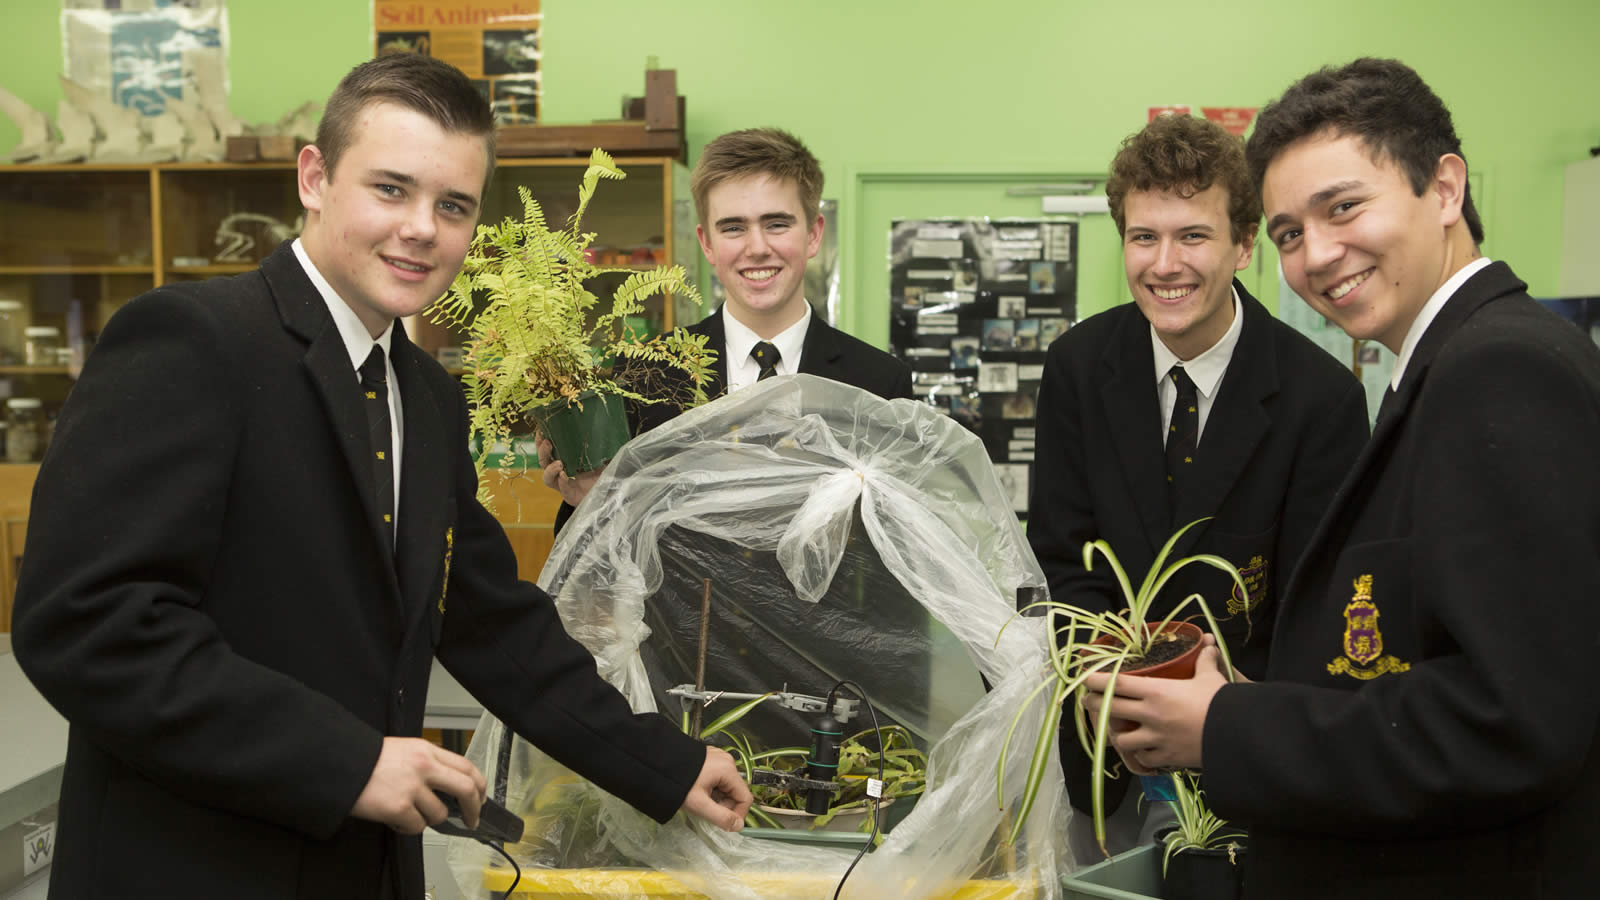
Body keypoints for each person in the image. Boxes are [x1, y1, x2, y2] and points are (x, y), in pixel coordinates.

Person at [10, 53, 751, 900]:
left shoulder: (427, 396)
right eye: (391, 189)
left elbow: (487, 620)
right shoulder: (191, 342)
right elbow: (85, 623)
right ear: (315, 178)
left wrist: (665, 763)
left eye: (453, 205)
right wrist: (348, 759)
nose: (422, 229)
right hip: (195, 866)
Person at [1087, 58, 1600, 898]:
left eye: (1344, 207)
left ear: (1442, 188)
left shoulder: (1501, 370)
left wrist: (1228, 725)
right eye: (1290, 233)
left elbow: (1509, 725)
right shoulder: (1450, 365)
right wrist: (1251, 692)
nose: (1318, 254)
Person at [1027, 112, 1368, 857]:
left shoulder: (1321, 398)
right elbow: (1060, 557)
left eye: (1193, 236)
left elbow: (1321, 606)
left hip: (1250, 755)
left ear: (1244, 244)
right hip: (1105, 747)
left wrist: (1224, 715)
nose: (1164, 263)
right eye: (1143, 237)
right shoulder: (1079, 368)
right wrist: (1106, 681)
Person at [544, 127, 912, 524]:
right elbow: (599, 561)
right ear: (707, 243)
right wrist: (586, 503)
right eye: (733, 227)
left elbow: (897, 549)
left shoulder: (879, 385)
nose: (756, 247)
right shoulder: (644, 376)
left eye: (776, 224)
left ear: (813, 234)